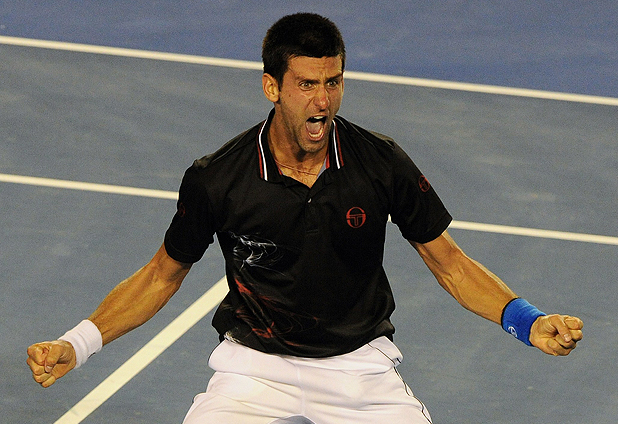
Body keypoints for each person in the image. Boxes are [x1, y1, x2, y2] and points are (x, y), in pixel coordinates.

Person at [27, 13, 583, 424]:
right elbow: (160, 276)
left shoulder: (380, 162)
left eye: (333, 82)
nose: (323, 101)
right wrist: (76, 344)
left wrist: (528, 321)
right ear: (272, 87)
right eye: (307, 84)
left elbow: (450, 264)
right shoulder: (218, 178)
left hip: (357, 370)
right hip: (253, 368)